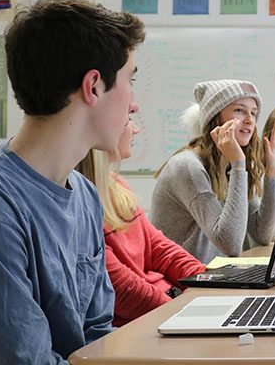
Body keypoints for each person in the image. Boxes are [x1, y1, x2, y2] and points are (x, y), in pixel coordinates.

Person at [0, 0, 275, 365]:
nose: (135, 105)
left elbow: (102, 342)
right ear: (93, 86)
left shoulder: (84, 194)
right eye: (130, 81)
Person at [76, 118, 206, 326]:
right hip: (137, 323)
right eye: (127, 120)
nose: (136, 129)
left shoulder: (116, 185)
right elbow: (121, 289)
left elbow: (159, 248)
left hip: (167, 304)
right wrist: (180, 314)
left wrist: (207, 280)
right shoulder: (80, 204)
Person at [152, 80, 275, 264]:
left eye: (254, 113)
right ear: (215, 117)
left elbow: (261, 234)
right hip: (181, 287)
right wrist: (238, 165)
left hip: (211, 278)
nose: (250, 120)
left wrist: (273, 174)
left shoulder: (228, 165)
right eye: (239, 110)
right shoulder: (187, 166)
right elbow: (231, 244)